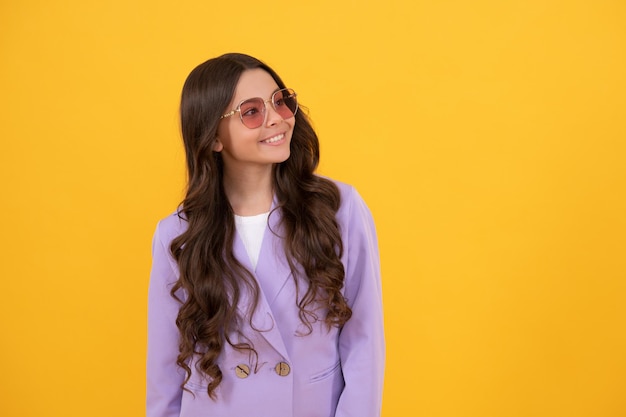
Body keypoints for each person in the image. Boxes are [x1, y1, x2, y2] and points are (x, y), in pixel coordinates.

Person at [147, 53, 384, 417]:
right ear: (213, 137)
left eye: (280, 101)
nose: (277, 119)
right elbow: (165, 370)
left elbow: (364, 344)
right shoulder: (178, 234)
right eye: (252, 111)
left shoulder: (338, 209)